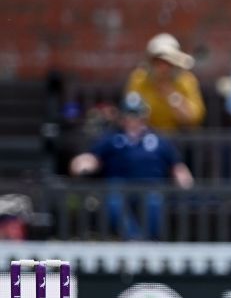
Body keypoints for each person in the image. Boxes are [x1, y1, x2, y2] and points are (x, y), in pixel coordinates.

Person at [70, 92, 194, 240]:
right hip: (118, 187)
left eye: (136, 114)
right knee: (113, 202)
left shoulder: (158, 139)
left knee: (154, 202)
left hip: (151, 187)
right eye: (129, 114)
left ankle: (148, 243)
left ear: (144, 116)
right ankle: (134, 241)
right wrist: (81, 163)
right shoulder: (112, 138)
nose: (132, 118)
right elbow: (93, 158)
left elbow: (176, 165)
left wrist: (184, 180)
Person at [126, 33, 206, 131]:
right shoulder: (139, 79)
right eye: (158, 62)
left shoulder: (186, 80)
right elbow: (130, 115)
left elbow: (194, 118)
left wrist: (172, 96)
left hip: (178, 138)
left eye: (168, 63)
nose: (163, 68)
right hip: (146, 138)